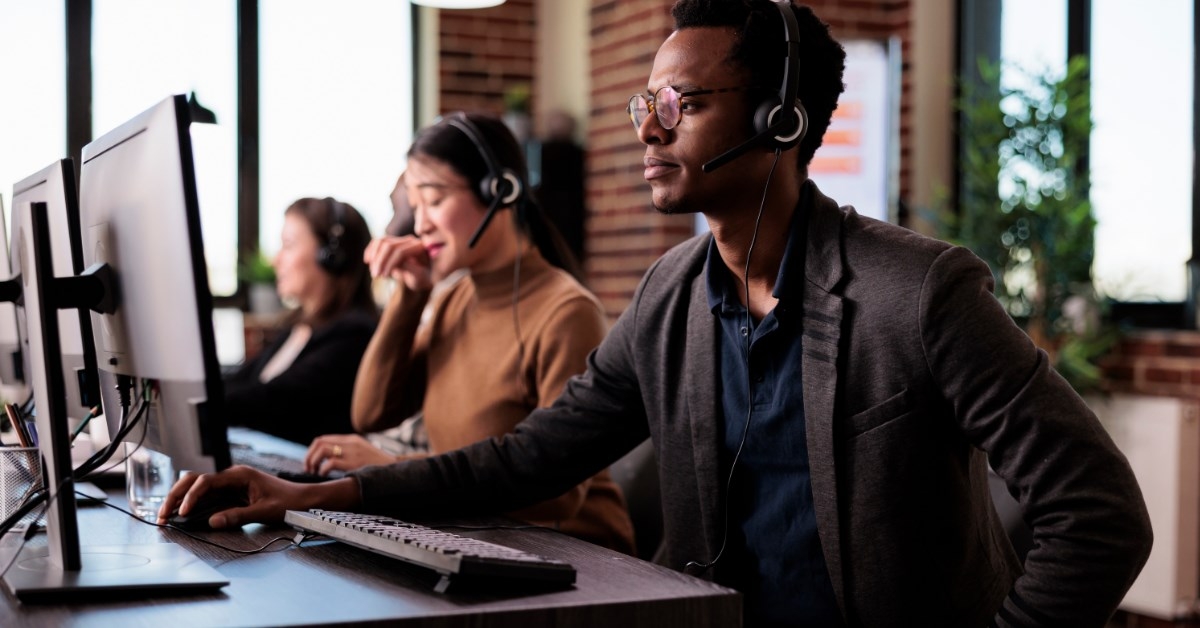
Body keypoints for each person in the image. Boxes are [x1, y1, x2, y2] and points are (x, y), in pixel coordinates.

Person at [161, 2, 1152, 625]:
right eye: (646, 105)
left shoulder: (922, 291)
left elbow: (1098, 511)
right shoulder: (673, 295)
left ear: (782, 121)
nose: (652, 128)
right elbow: (526, 457)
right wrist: (306, 496)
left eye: (683, 104)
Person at [302, 113, 635, 554]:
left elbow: (561, 492)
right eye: (414, 207)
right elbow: (371, 412)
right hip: (473, 537)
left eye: (434, 201)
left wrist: (393, 470)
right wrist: (409, 295)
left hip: (577, 555)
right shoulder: (451, 299)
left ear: (497, 191)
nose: (419, 226)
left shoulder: (566, 311)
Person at [223, 197, 378, 445]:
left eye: (288, 245)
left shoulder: (354, 334)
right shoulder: (299, 327)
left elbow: (269, 401)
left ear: (330, 256)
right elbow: (243, 380)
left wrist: (195, 401)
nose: (276, 260)